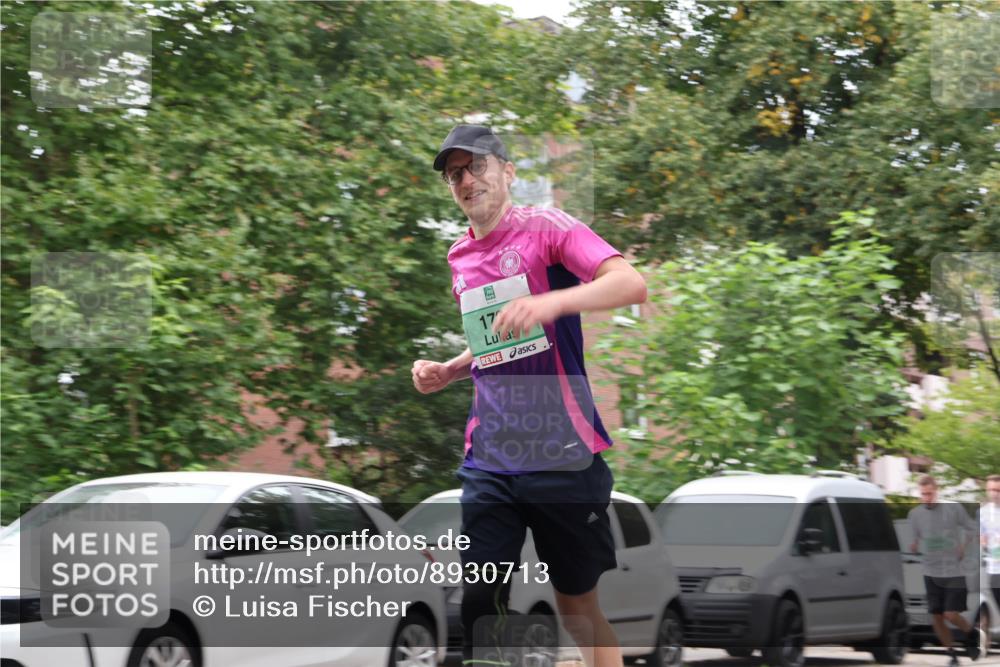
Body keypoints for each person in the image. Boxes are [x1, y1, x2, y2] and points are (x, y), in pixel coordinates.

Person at [411, 125, 646, 667]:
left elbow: (630, 284)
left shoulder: (548, 228)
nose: (466, 180)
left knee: (577, 611)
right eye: (454, 174)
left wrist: (552, 302)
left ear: (508, 171)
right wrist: (451, 369)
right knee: (480, 600)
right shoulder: (459, 256)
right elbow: (497, 342)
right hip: (491, 458)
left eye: (477, 166)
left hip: (562, 455)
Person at [908, 474, 981, 666]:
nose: (927, 498)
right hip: (930, 572)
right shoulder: (915, 515)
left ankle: (971, 633)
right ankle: (951, 654)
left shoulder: (953, 508)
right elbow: (915, 540)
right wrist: (914, 546)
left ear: (936, 491)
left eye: (930, 494)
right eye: (923, 494)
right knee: (937, 616)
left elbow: (972, 528)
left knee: (950, 614)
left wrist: (963, 546)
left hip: (954, 571)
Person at [979, 474, 1000, 638]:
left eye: (997, 490)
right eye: (991, 490)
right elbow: (981, 536)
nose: (994, 494)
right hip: (994, 569)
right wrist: (983, 541)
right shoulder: (983, 513)